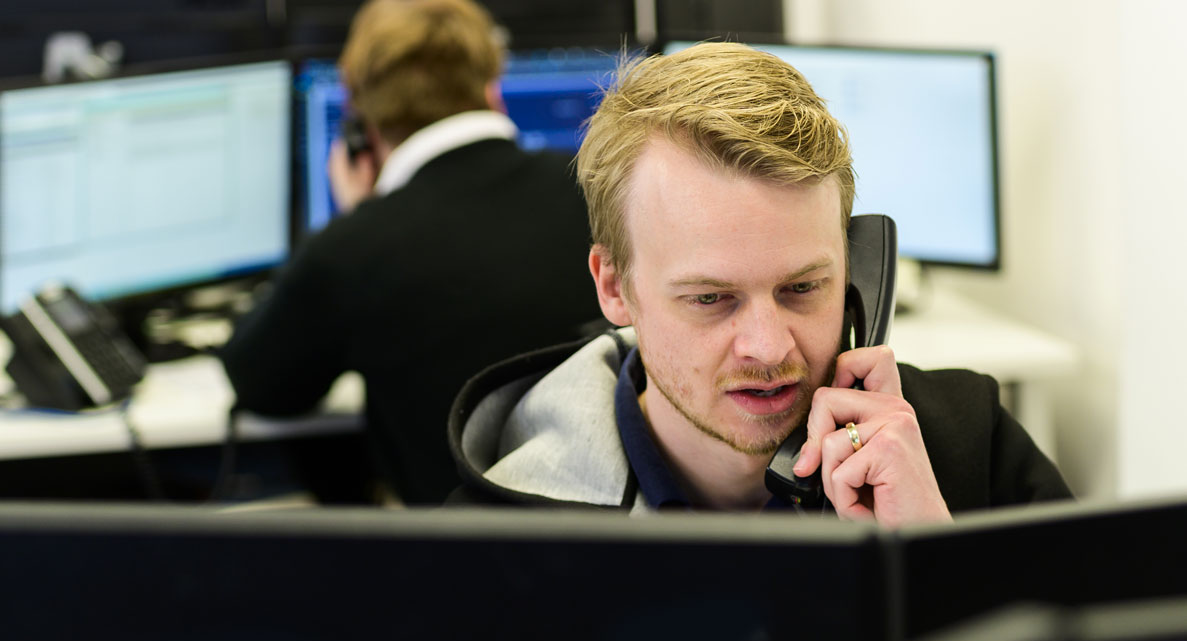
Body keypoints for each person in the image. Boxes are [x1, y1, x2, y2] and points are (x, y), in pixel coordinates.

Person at [447, 42, 1073, 525]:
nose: (770, 348)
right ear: (614, 287)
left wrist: (936, 561)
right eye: (710, 298)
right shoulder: (495, 531)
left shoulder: (970, 450)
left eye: (803, 288)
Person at [219, 0, 602, 504]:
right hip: (620, 527)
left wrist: (357, 219)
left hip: (456, 541)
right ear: (491, 86)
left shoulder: (352, 250)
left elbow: (260, 385)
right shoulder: (598, 190)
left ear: (361, 119)